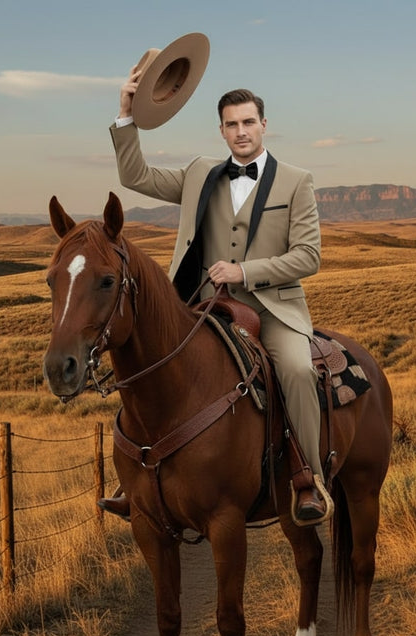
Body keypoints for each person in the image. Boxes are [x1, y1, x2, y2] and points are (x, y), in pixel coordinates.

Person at [101, 70, 332, 524]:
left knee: (299, 370)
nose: (241, 132)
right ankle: (139, 482)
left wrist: (245, 270)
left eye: (248, 122)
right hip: (202, 306)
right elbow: (135, 174)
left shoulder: (296, 181)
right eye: (231, 124)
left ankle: (308, 479)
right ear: (221, 130)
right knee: (150, 368)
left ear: (264, 124)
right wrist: (127, 115)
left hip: (271, 308)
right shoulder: (198, 173)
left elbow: (308, 256)